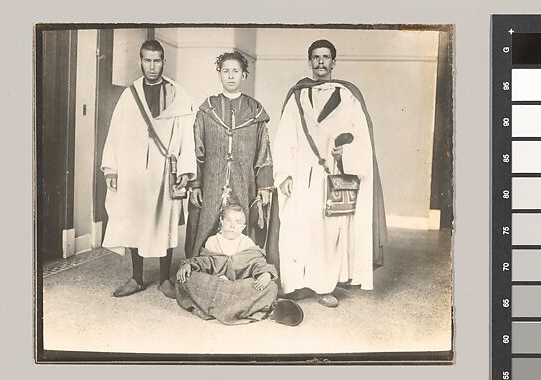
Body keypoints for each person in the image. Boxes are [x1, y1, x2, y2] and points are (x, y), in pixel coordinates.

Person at [271, 39, 387, 308]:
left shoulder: (348, 97)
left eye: (325, 57)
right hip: (301, 176)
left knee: (328, 232)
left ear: (334, 62)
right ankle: (296, 284)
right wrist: (285, 174)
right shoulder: (297, 97)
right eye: (315, 57)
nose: (320, 62)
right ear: (309, 61)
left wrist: (344, 154)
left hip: (332, 176)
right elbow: (284, 137)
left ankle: (324, 287)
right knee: (296, 227)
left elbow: (361, 138)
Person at [101, 39, 196, 298]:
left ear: (164, 62)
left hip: (165, 171)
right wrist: (112, 169)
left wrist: (186, 170)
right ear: (140, 61)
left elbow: (187, 135)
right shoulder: (129, 95)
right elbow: (116, 133)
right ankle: (137, 278)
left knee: (164, 220)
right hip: (134, 171)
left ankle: (165, 279)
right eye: (147, 60)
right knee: (135, 220)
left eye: (157, 61)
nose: (152, 66)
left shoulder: (179, 94)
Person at [185, 51, 273, 259]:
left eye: (235, 71)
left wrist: (264, 186)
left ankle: (242, 267)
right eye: (226, 71)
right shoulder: (207, 110)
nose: (231, 76)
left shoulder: (255, 111)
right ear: (219, 74)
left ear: (244, 74)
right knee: (207, 222)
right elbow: (196, 148)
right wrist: (196, 184)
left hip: (244, 183)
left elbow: (264, 150)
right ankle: (202, 267)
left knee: (242, 222)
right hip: (211, 182)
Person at [175, 205, 278, 325]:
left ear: (243, 227)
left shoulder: (247, 243)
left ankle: (218, 306)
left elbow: (258, 263)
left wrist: (265, 274)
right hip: (217, 284)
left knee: (271, 287)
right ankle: (238, 308)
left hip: (238, 287)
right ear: (221, 222)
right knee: (185, 279)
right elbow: (203, 262)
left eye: (238, 222)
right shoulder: (213, 241)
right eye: (228, 220)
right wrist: (188, 265)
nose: (232, 225)